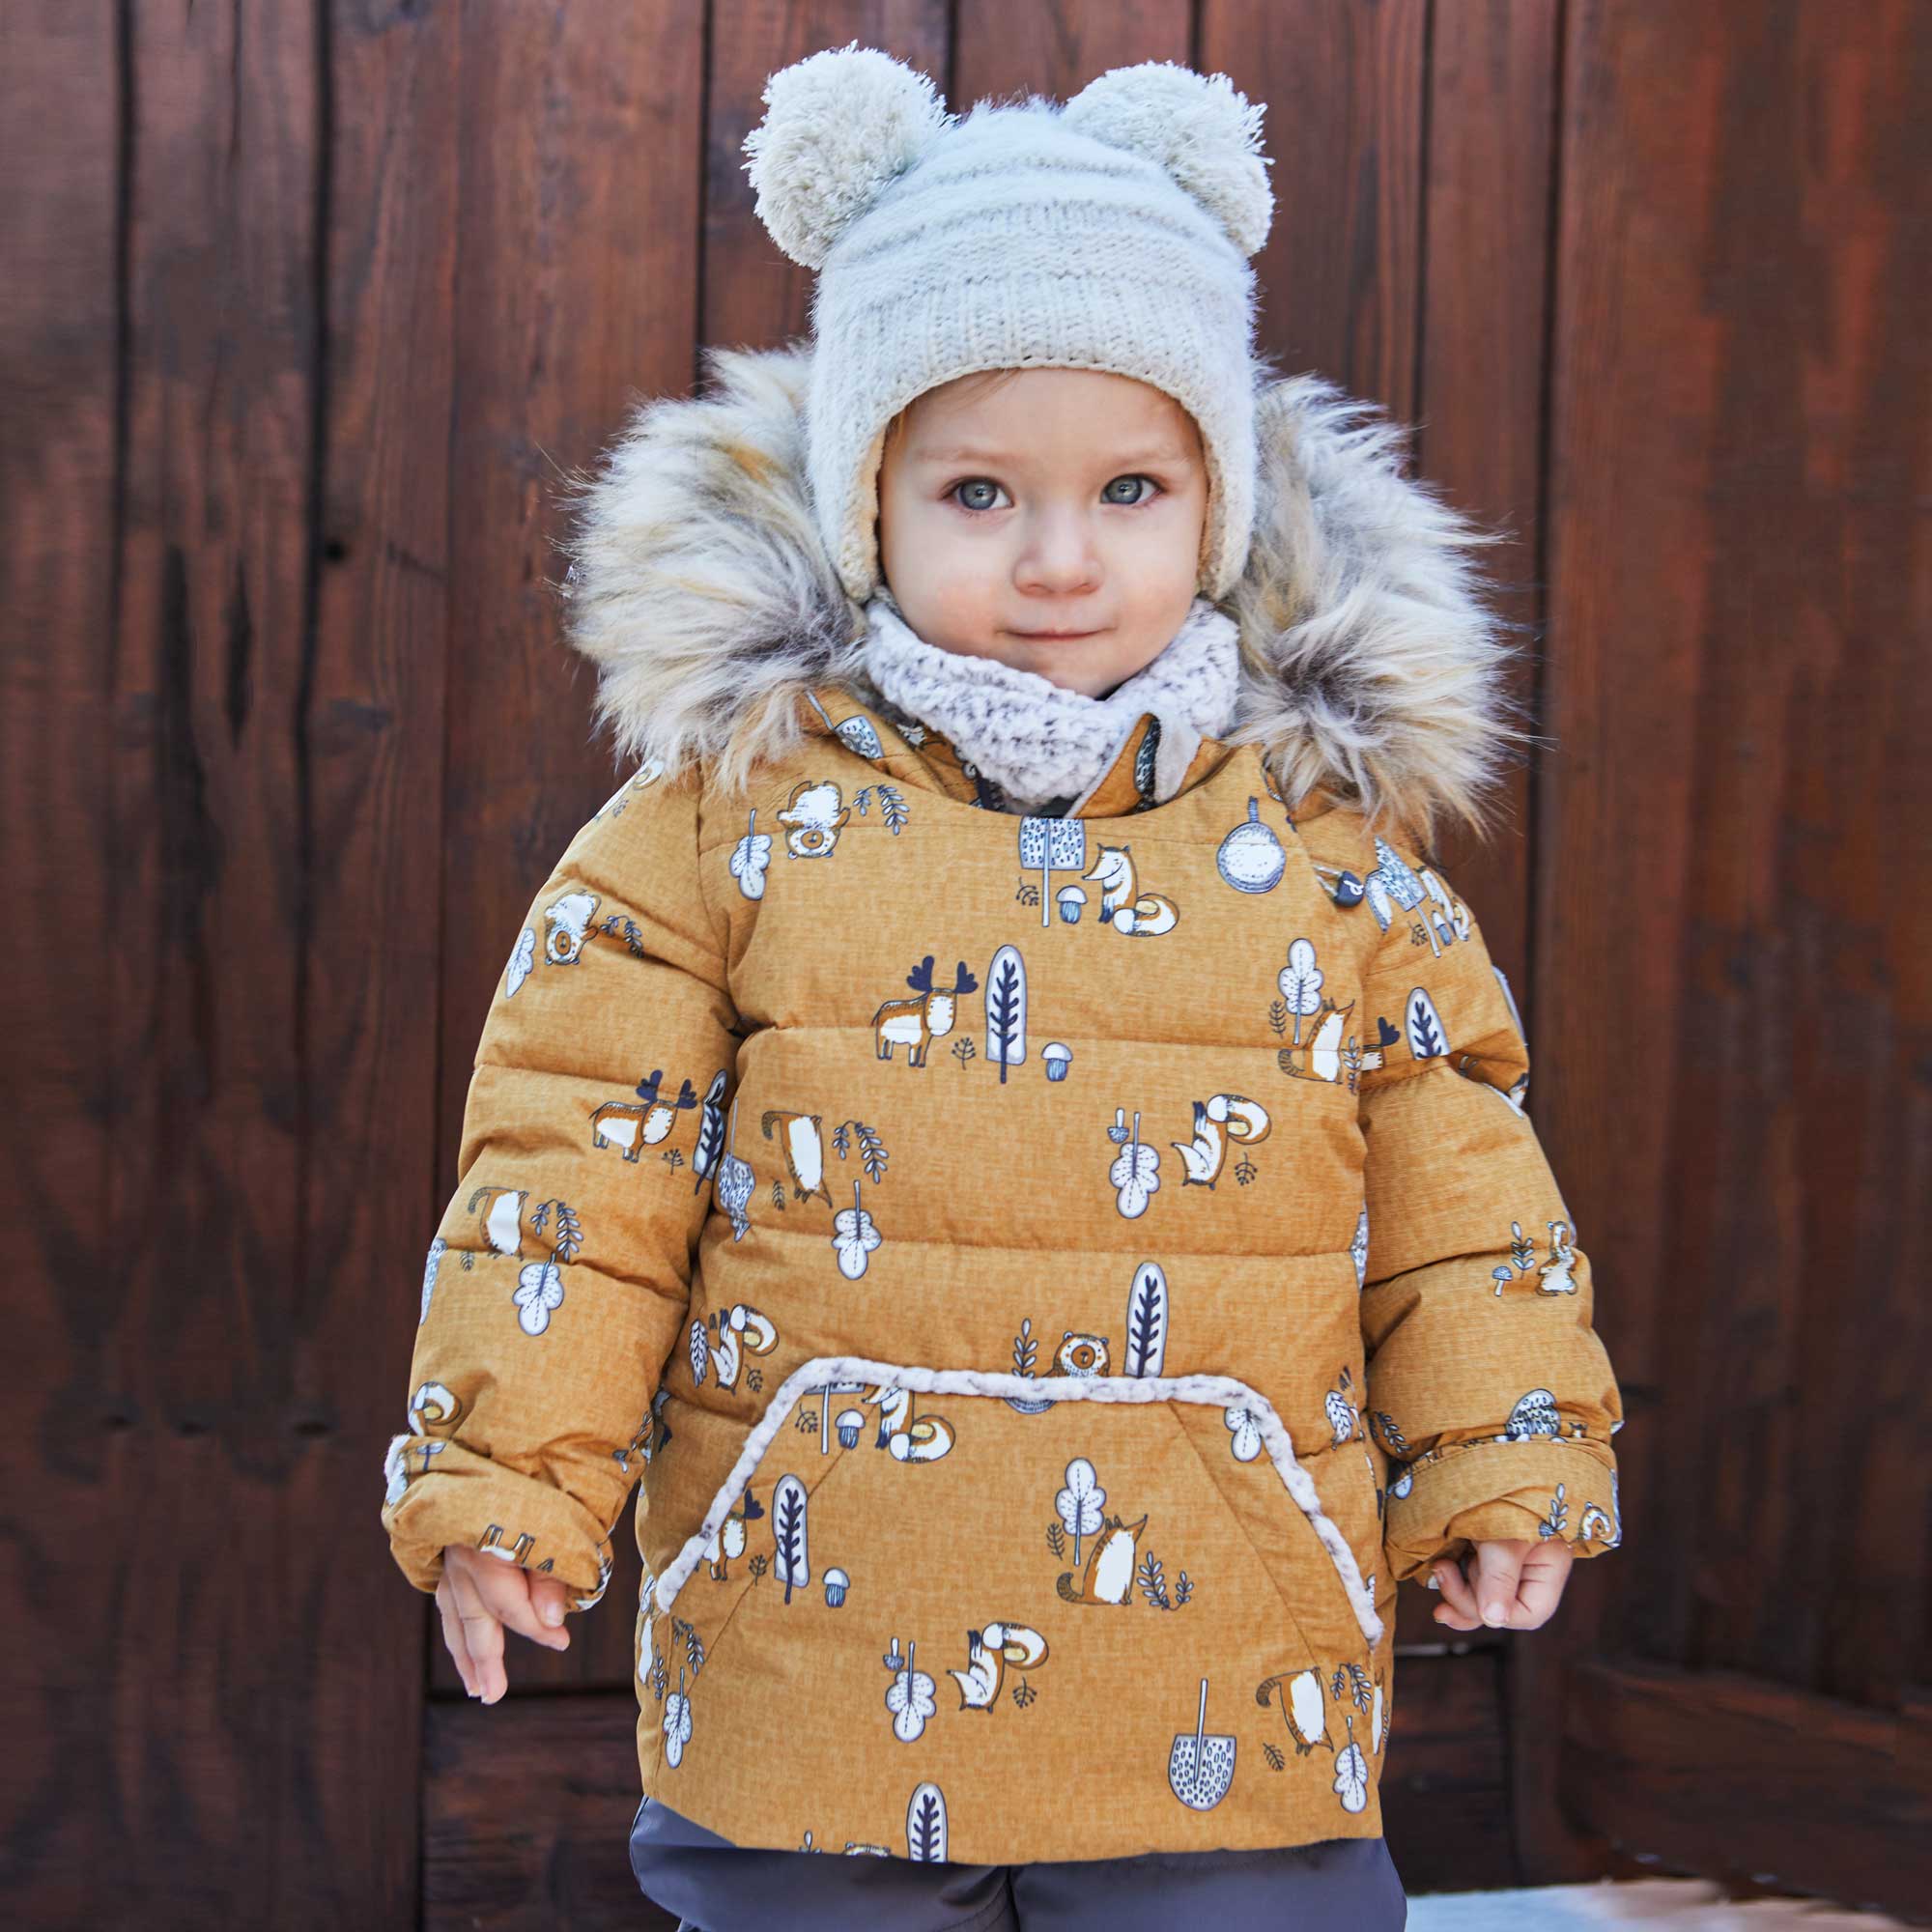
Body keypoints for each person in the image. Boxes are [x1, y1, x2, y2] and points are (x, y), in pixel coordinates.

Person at [380, 45, 1624, 1932]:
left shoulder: (1321, 849)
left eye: (1126, 484)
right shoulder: (724, 823)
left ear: (1212, 501)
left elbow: (1460, 1187)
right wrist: (502, 1479)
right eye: (978, 490)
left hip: (1227, 1638)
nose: (1057, 559)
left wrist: (1505, 1440)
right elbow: (570, 1175)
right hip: (823, 1643)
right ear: (867, 496)